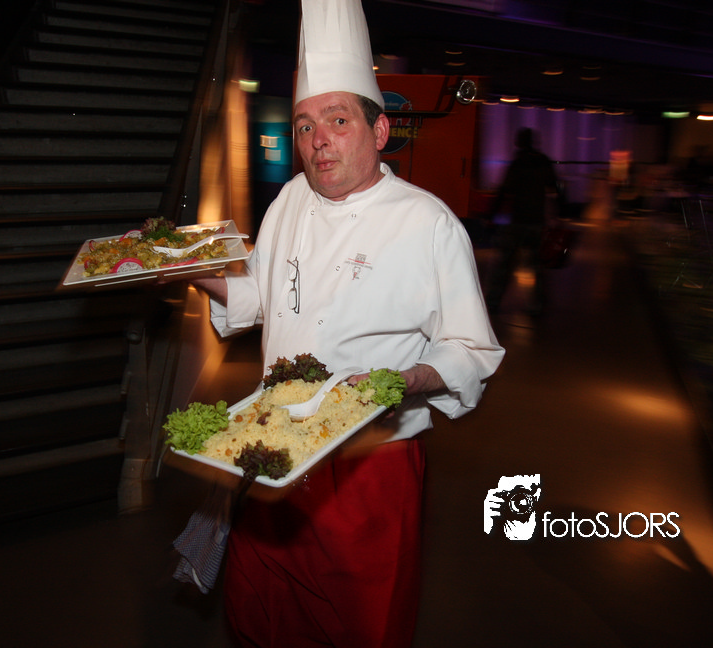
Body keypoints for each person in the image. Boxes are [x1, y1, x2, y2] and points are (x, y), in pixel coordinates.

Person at [191, 1, 504, 645]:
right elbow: (258, 298)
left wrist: (406, 380)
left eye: (338, 120)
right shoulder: (288, 200)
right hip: (271, 443)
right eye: (305, 125)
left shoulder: (428, 222)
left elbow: (472, 348)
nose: (318, 141)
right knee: (260, 608)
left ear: (379, 130)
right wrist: (183, 272)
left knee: (359, 620)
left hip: (368, 465)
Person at [486, 127, 560, 315]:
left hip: (518, 219)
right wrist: (557, 214)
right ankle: (537, 304)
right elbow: (554, 188)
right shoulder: (543, 161)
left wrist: (491, 214)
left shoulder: (518, 163)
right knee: (536, 265)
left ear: (519, 142)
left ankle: (493, 302)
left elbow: (504, 191)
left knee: (504, 263)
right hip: (537, 220)